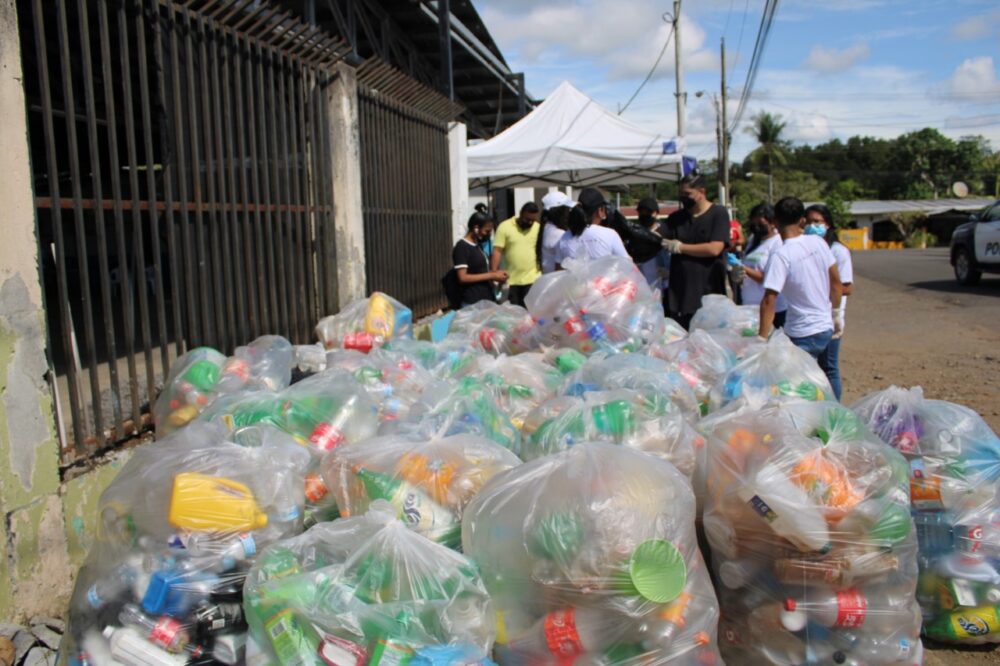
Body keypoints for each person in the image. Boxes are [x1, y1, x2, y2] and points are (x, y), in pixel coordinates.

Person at [757, 197, 843, 361]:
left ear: (775, 221)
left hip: (802, 332)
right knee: (825, 375)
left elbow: (769, 299)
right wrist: (836, 314)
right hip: (825, 327)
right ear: (802, 220)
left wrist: (761, 339)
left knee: (796, 383)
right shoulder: (818, 242)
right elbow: (836, 283)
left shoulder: (781, 255)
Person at [660, 174, 730, 329]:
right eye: (681, 194)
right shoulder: (677, 218)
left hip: (708, 293)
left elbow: (714, 248)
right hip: (680, 294)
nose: (683, 198)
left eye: (687, 194)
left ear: (701, 192)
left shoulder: (718, 213)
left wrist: (680, 247)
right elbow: (657, 235)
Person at [806, 204, 854, 400]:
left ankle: (834, 410)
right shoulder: (805, 249)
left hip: (830, 317)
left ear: (828, 225)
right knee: (810, 369)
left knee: (829, 367)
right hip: (809, 317)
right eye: (808, 221)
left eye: (817, 222)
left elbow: (847, 287)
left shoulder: (838, 251)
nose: (812, 226)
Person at [554, 188, 629, 267]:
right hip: (604, 279)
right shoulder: (610, 235)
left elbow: (558, 269)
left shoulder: (565, 237)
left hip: (574, 279)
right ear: (600, 210)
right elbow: (626, 265)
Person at [740, 203, 787, 329]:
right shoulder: (753, 240)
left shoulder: (778, 243)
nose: (756, 228)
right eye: (753, 224)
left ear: (772, 223)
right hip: (749, 307)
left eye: (760, 224)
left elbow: (769, 278)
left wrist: (744, 269)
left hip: (772, 310)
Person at [452, 211, 508, 307]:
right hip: (473, 302)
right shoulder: (462, 247)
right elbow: (463, 277)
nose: (489, 234)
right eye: (486, 231)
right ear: (476, 228)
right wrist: (491, 275)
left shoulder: (478, 246)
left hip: (487, 299)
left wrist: (498, 276)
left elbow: (480, 271)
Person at [492, 202, 541, 306]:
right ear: (520, 213)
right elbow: (497, 250)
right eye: (527, 219)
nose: (530, 223)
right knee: (516, 313)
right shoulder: (505, 227)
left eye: (533, 220)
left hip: (532, 279)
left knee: (530, 312)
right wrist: (494, 273)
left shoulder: (538, 228)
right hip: (511, 280)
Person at [635, 197, 670, 290]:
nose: (644, 215)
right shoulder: (637, 231)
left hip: (662, 280)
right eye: (641, 212)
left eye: (647, 212)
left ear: (656, 213)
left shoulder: (664, 229)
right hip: (643, 280)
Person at [539, 192, 574, 274]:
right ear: (560, 212)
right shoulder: (559, 234)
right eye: (567, 209)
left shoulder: (547, 228)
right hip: (558, 282)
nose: (569, 213)